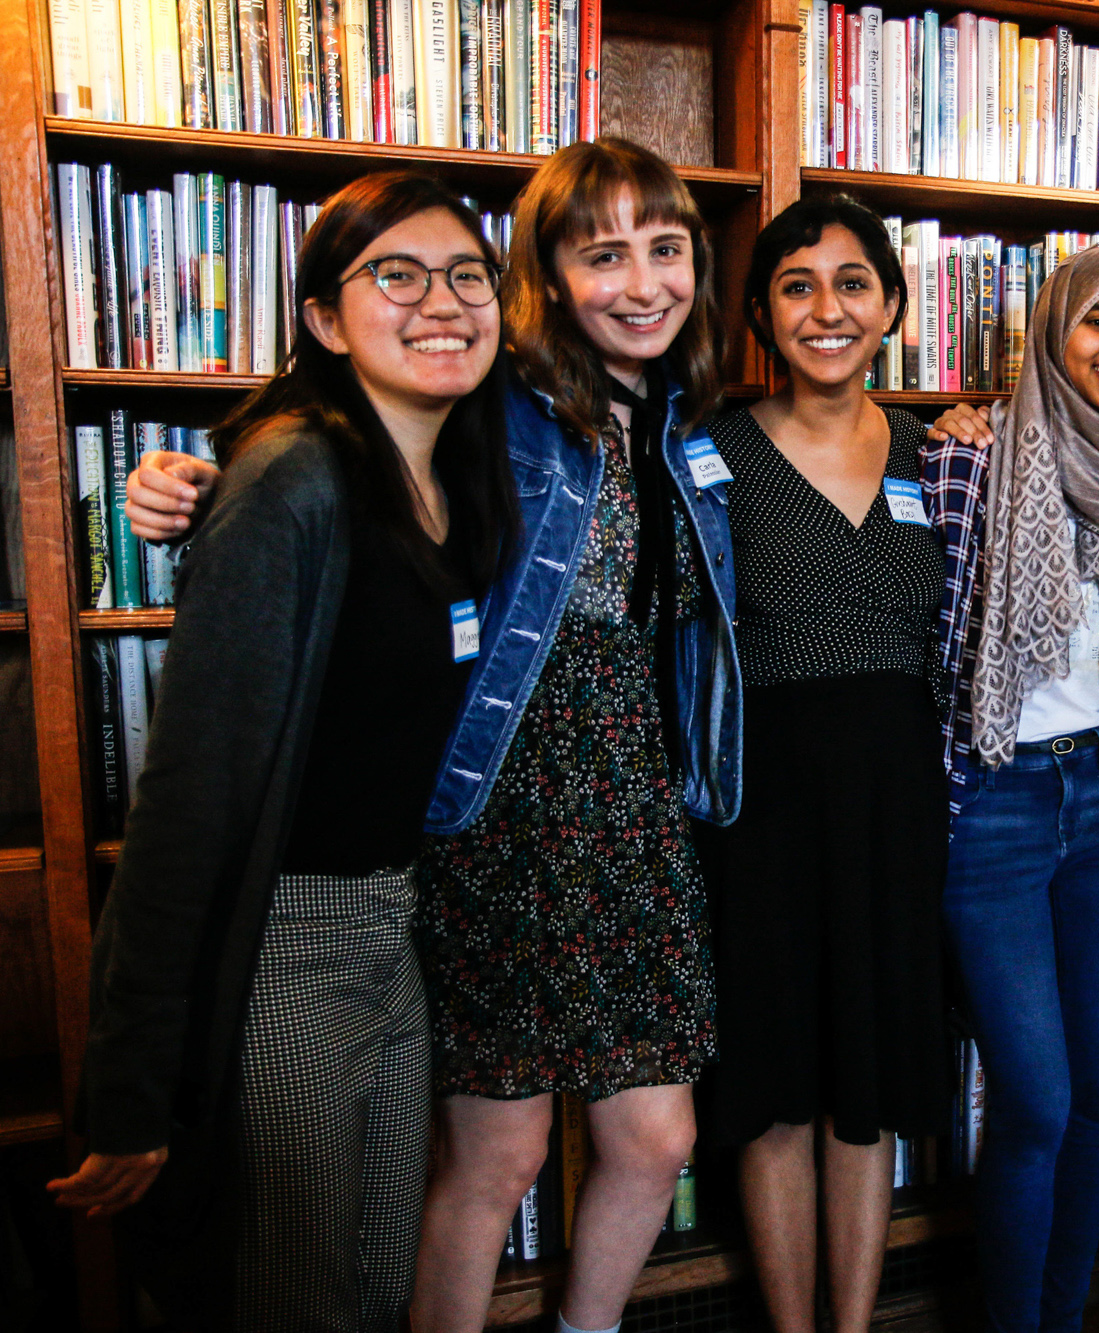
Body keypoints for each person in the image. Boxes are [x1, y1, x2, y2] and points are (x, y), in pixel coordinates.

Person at [122, 139, 744, 1333]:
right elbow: (342, 441)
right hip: (495, 800)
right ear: (545, 277)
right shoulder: (492, 395)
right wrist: (195, 478)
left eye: (666, 250)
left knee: (659, 1131)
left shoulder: (685, 417)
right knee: (497, 1157)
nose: (642, 282)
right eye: (601, 253)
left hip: (633, 805)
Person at [51, 171, 517, 1331]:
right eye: (393, 276)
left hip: (389, 930)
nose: (440, 302)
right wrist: (129, 1086)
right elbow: (189, 793)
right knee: (289, 1297)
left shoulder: (453, 476)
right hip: (286, 947)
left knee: (369, 1280)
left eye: (467, 274)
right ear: (322, 317)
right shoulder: (294, 474)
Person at [923, 243, 1099, 1333]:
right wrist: (943, 418)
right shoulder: (963, 462)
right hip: (996, 803)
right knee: (1033, 1099)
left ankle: (1061, 1316)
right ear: (1049, 330)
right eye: (1097, 320)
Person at [699, 195, 950, 1333]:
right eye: (796, 286)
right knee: (774, 1092)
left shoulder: (938, 452)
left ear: (891, 306)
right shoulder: (707, 451)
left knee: (869, 1087)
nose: (827, 308)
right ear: (760, 314)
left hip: (897, 807)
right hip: (761, 813)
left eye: (853, 283)